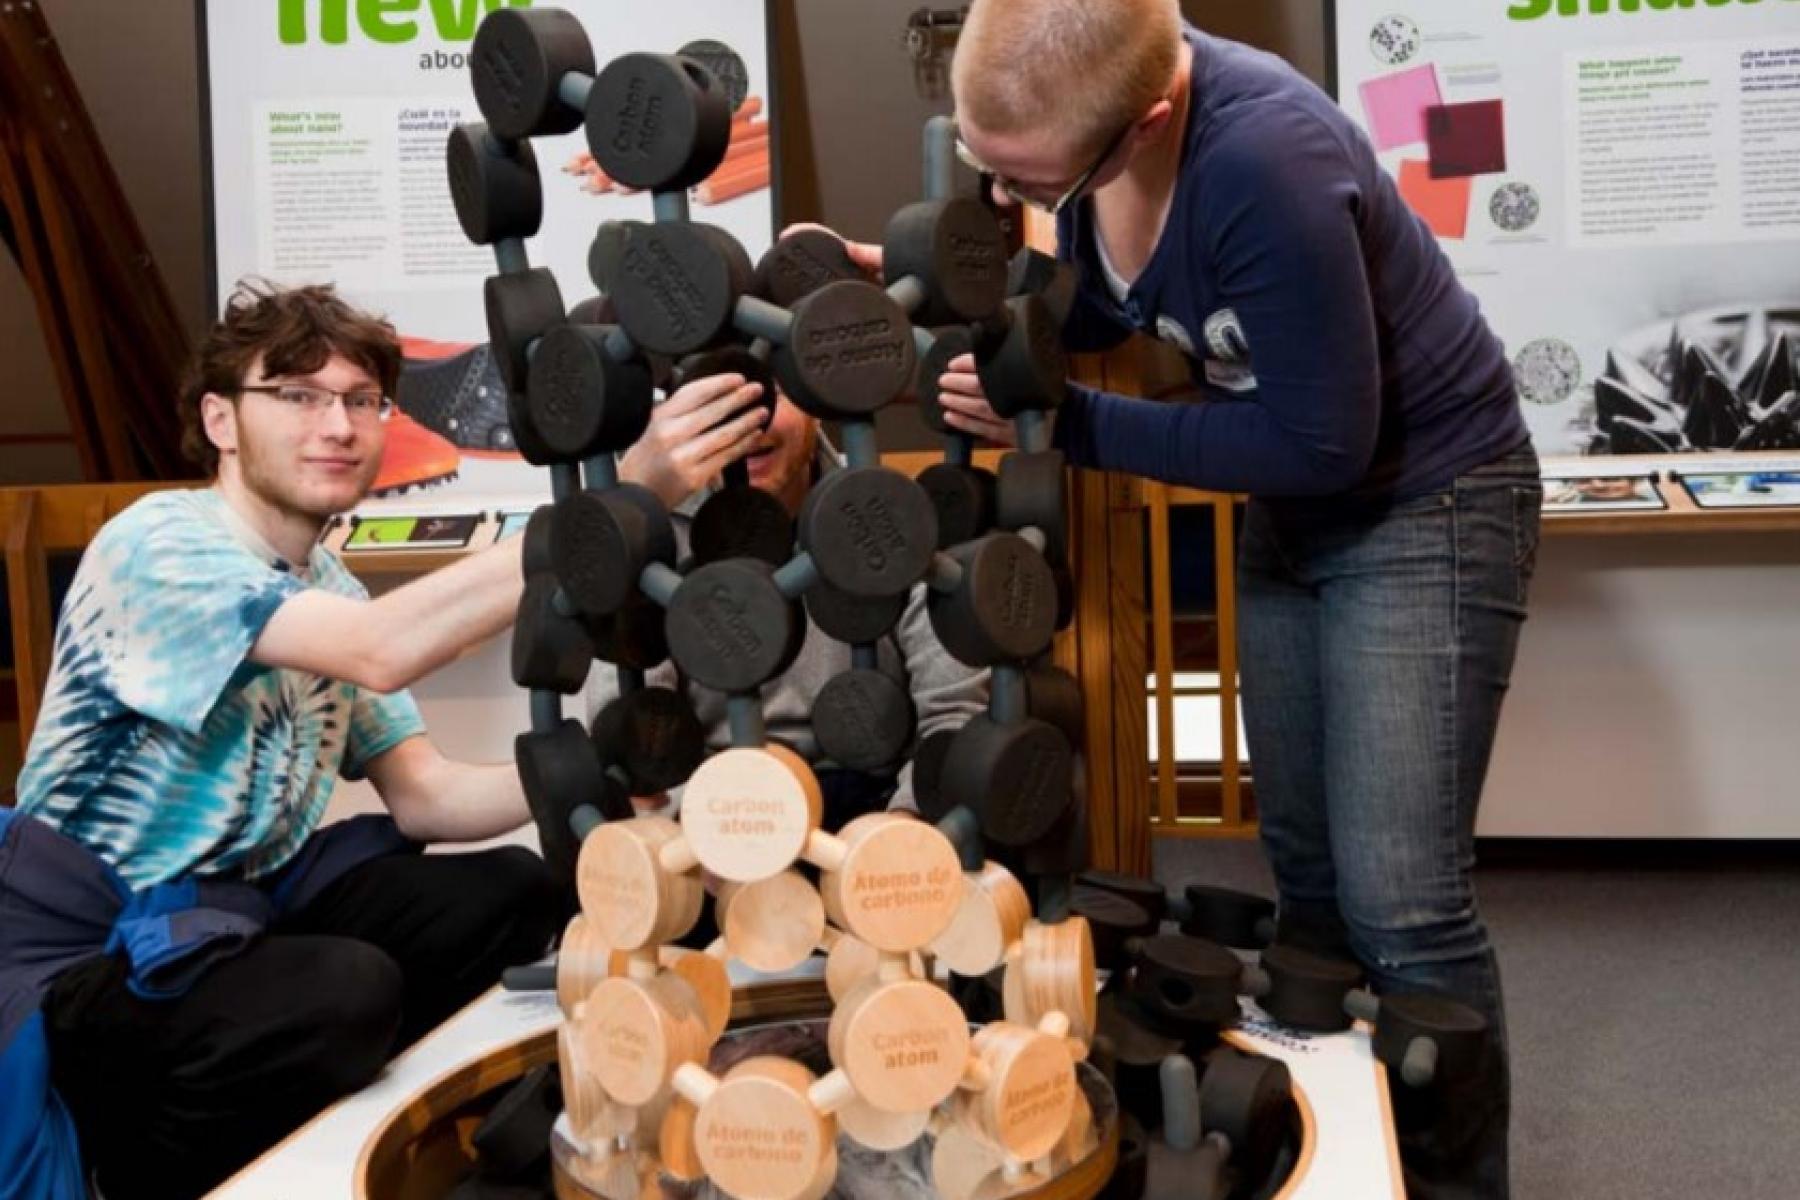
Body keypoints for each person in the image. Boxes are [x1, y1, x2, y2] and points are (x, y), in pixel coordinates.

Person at [833, 2, 1540, 1196]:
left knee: (1402, 904)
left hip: (1427, 503)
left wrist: (1072, 421)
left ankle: (1459, 1185)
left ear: (1145, 123)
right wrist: (928, 286)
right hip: (1304, 506)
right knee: (1306, 881)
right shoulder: (1104, 123)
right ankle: (1332, 1162)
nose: (997, 188)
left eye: (1023, 178)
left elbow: (1322, 440)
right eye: (980, 159)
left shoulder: (1267, 159)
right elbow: (1108, 300)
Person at [3, 281, 556, 1200]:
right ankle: (140, 1170)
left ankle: (318, 1115)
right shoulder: (158, 545)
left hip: (227, 923)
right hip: (85, 962)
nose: (336, 424)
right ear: (221, 419)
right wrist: (602, 517)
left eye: (361, 400)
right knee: (346, 991)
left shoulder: (327, 584)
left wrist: (610, 773)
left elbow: (426, 794)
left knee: (509, 890)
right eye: (297, 396)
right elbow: (379, 653)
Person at [585, 372, 989, 827]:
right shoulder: (653, 537)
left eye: (770, 395)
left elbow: (954, 711)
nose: (750, 422)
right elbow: (632, 730)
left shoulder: (889, 517)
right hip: (718, 809)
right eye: (721, 398)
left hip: (873, 800)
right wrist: (694, 829)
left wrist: (902, 826)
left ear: (813, 402)